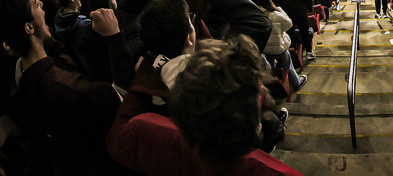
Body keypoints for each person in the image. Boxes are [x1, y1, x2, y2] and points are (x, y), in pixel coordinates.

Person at [106, 36, 302, 176]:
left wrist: (144, 75)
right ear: (253, 123)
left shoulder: (150, 136)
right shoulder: (274, 171)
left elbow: (117, 136)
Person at [0, 0, 127, 175]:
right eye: (35, 3)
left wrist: (46, 38)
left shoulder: (17, 73)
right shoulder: (64, 87)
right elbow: (120, 98)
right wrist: (114, 36)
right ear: (29, 28)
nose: (41, 2)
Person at [253, 0, 307, 92]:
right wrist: (277, 8)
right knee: (287, 66)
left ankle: (272, 89)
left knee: (269, 70)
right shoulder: (275, 14)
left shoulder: (255, 15)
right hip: (279, 48)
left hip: (264, 49)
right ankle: (296, 82)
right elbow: (289, 24)